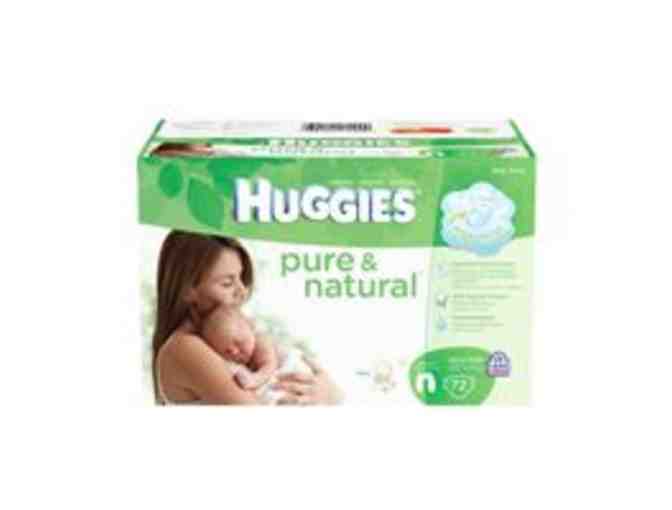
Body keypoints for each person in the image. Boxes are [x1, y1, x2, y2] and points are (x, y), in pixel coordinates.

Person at [152, 230, 343, 405]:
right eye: (227, 283)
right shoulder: (184, 348)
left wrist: (327, 392)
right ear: (187, 290)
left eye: (241, 277)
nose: (242, 291)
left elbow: (328, 387)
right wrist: (325, 396)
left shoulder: (231, 334)